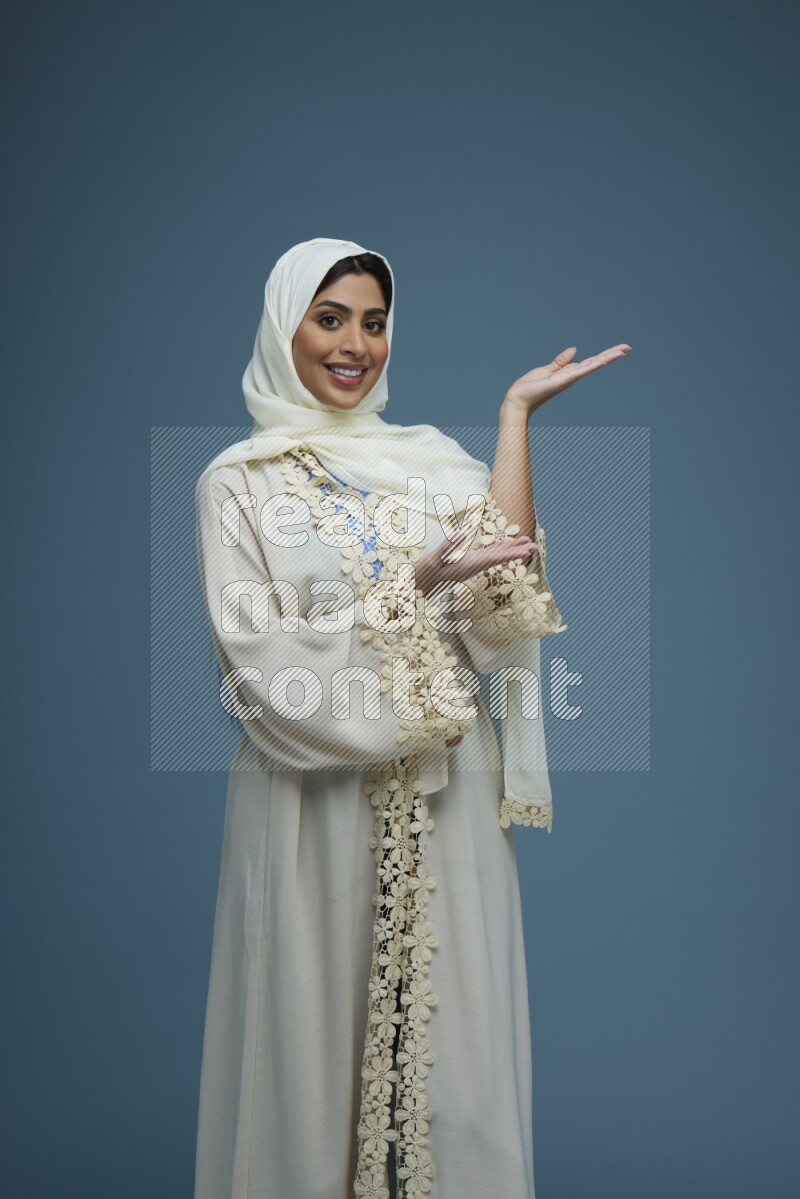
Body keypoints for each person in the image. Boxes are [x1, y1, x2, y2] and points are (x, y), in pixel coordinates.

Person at [192, 237, 630, 1199]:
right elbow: (257, 663)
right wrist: (407, 589)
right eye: (330, 319)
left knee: (458, 1081)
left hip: (447, 809)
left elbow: (504, 603)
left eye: (375, 323)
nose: (356, 344)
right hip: (310, 811)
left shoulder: (431, 466)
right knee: (307, 1073)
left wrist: (513, 420)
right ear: (285, 329)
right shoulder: (239, 484)